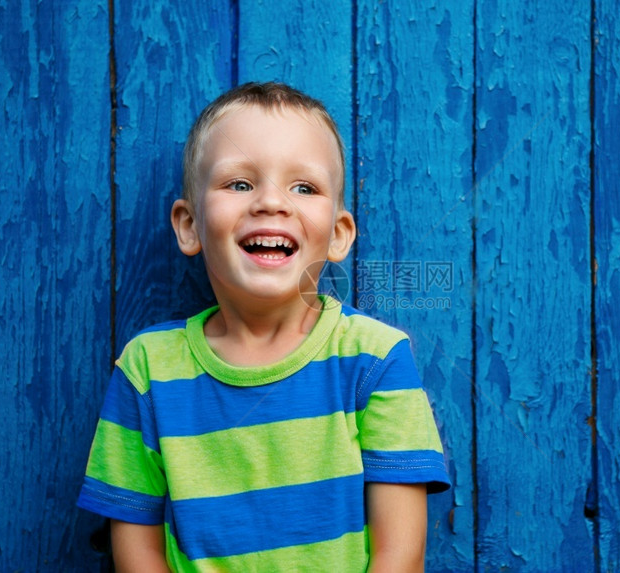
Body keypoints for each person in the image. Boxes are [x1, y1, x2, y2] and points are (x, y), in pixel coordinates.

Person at [77, 82, 450, 572]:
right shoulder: (148, 370)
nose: (271, 203)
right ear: (189, 225)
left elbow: (399, 557)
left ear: (338, 235)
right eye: (239, 184)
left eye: (304, 187)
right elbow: (137, 554)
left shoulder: (375, 359)